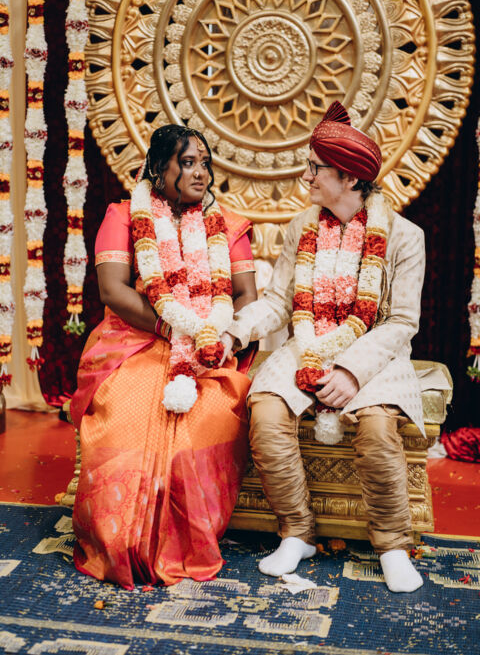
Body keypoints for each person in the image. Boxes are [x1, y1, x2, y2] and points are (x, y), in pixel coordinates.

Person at [222, 101, 426, 593]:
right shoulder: (302, 227)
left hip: (374, 352)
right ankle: (297, 533)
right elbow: (278, 301)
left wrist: (351, 371)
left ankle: (393, 546)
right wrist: (234, 332)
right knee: (265, 412)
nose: (306, 175)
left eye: (315, 167)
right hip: (308, 341)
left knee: (377, 428)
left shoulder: (405, 237)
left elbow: (402, 321)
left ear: (350, 178)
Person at [69, 124, 257, 590]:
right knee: (127, 413)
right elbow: (112, 290)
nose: (201, 173)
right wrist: (170, 327)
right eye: (188, 163)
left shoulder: (227, 225)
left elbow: (246, 297)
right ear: (158, 168)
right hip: (135, 339)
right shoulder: (123, 215)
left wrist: (218, 337)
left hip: (206, 350)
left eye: (205, 163)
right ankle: (121, 542)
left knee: (205, 416)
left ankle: (183, 546)